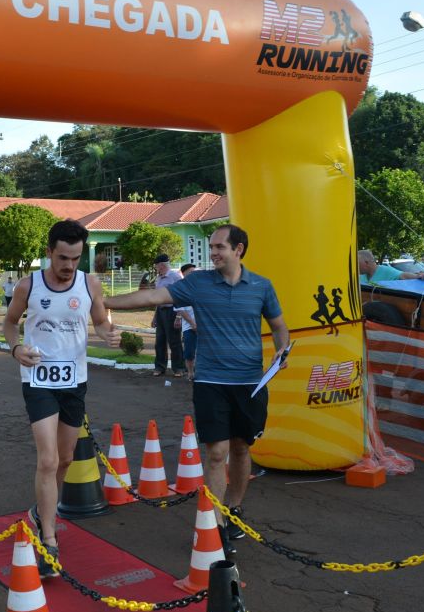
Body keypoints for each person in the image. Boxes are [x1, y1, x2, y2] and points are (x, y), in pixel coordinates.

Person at [105, 224, 289, 554]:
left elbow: (278, 326)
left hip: (249, 383)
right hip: (210, 382)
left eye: (219, 247)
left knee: (241, 449)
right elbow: (152, 297)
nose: (212, 253)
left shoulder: (261, 286)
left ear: (238, 250)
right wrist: (104, 300)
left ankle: (234, 509)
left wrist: (281, 350)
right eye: (211, 247)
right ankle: (214, 524)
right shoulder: (198, 283)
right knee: (216, 453)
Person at [1, 219, 119, 577]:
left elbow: (99, 320)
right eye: (63, 258)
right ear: (49, 252)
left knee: (66, 458)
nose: (69, 265)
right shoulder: (28, 285)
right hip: (38, 379)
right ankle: (49, 538)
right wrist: (16, 348)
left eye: (75, 258)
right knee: (48, 459)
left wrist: (106, 333)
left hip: (74, 381)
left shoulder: (89, 283)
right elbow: (9, 323)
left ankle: (42, 511)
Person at [151, 255, 186, 377]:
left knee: (174, 341)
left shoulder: (175, 277)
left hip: (172, 311)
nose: (156, 268)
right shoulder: (159, 279)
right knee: (159, 341)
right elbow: (157, 298)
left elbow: (181, 297)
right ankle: (160, 367)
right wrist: (155, 317)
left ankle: (179, 368)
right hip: (160, 311)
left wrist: (179, 316)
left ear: (161, 265)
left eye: (156, 266)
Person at [175, 264, 198, 381]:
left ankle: (202, 373)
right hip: (189, 327)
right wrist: (193, 324)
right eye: (191, 272)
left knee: (204, 351)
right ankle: (190, 373)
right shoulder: (181, 289)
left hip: (203, 326)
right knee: (189, 352)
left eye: (194, 272)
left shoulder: (200, 287)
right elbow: (181, 309)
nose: (194, 274)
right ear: (183, 274)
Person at [357, 250, 424, 283]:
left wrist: (417, 276)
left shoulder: (385, 271)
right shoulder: (360, 276)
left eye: (357, 264)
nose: (356, 267)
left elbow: (403, 275)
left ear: (366, 263)